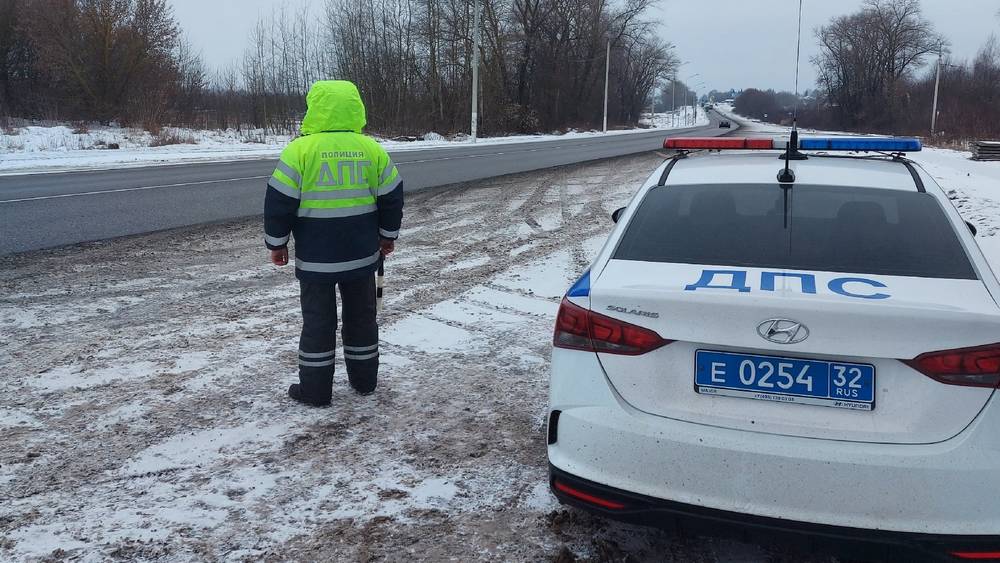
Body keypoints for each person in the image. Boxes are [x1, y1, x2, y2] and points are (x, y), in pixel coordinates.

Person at [263, 80, 403, 406]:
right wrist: (387, 237)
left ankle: (315, 392)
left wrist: (277, 243)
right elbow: (392, 197)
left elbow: (278, 202)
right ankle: (365, 382)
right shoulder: (372, 150)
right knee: (362, 320)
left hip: (315, 260)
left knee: (318, 324)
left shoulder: (299, 151)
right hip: (360, 258)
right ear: (355, 107)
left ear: (315, 108)